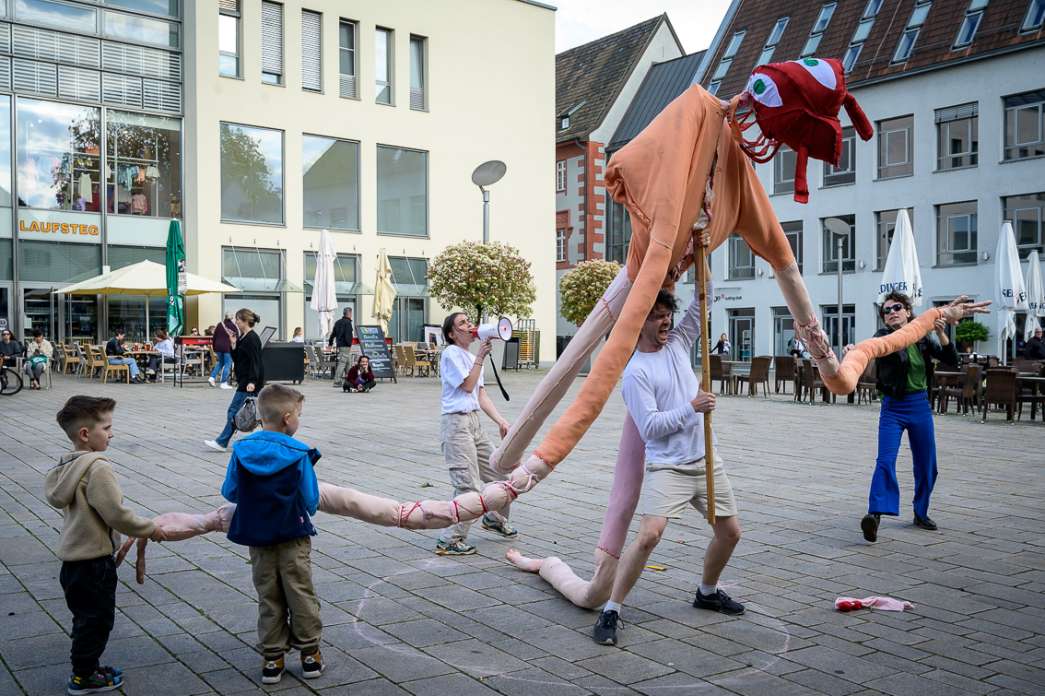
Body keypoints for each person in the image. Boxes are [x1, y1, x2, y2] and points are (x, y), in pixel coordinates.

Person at [593, 285, 744, 647]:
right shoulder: (636, 373)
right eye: (657, 316)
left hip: (707, 459)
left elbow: (700, 305)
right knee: (649, 535)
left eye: (667, 314)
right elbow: (650, 428)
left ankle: (707, 592)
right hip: (669, 468)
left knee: (731, 533)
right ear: (639, 321)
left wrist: (702, 246)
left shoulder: (677, 343)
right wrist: (692, 407)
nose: (666, 321)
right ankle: (611, 609)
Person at [45, 396, 165, 695]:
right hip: (94, 562)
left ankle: (87, 667)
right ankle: (83, 677)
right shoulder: (98, 468)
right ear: (86, 434)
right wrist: (151, 529)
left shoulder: (68, 465)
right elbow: (116, 514)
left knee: (85, 618)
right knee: (98, 620)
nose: (112, 434)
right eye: (107, 428)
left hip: (73, 562)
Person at [221, 384, 324, 684]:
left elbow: (231, 491)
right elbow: (310, 500)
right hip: (292, 534)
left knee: (268, 594)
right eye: (300, 415)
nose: (300, 421)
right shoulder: (299, 454)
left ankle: (272, 658)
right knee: (300, 591)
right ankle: (310, 654)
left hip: (257, 536)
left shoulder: (241, 450)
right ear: (288, 418)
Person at [853, 292, 959, 543]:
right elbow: (871, 347)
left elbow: (952, 361)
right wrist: (854, 351)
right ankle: (874, 515)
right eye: (886, 310)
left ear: (908, 312)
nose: (891, 312)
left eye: (897, 307)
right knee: (885, 460)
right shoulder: (883, 337)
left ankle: (920, 513)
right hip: (893, 408)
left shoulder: (923, 338)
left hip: (919, 406)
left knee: (927, 464)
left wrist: (942, 332)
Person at [435, 312, 515, 555]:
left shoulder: (470, 356)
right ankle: (450, 539)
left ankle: (493, 517)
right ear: (451, 334)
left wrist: (501, 421)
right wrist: (480, 356)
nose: (469, 326)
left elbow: (479, 395)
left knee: (502, 476)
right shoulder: (450, 354)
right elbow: (467, 385)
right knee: (467, 487)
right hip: (456, 425)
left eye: (469, 321)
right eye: (462, 324)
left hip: (474, 423)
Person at [205, 309, 265, 453]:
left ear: (245, 321)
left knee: (235, 410)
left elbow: (255, 362)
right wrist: (233, 344)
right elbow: (237, 358)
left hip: (249, 381)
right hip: (246, 379)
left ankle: (222, 441)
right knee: (259, 413)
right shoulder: (244, 336)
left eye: (238, 319)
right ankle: (274, 438)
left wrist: (252, 381)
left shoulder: (252, 338)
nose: (236, 322)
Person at [329, 308, 354, 386]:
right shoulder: (348, 323)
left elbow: (333, 334)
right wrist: (349, 344)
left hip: (340, 345)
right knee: (342, 363)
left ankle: (350, 380)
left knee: (348, 362)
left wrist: (330, 343)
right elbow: (348, 335)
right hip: (345, 346)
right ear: (349, 313)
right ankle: (337, 381)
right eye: (351, 313)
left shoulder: (338, 322)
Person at [209, 315, 236, 389]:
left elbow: (214, 336)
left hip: (218, 347)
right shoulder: (233, 326)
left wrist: (214, 347)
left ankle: (212, 378)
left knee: (220, 362)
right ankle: (223, 383)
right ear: (231, 318)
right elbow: (236, 337)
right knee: (228, 364)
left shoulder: (219, 324)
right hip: (227, 347)